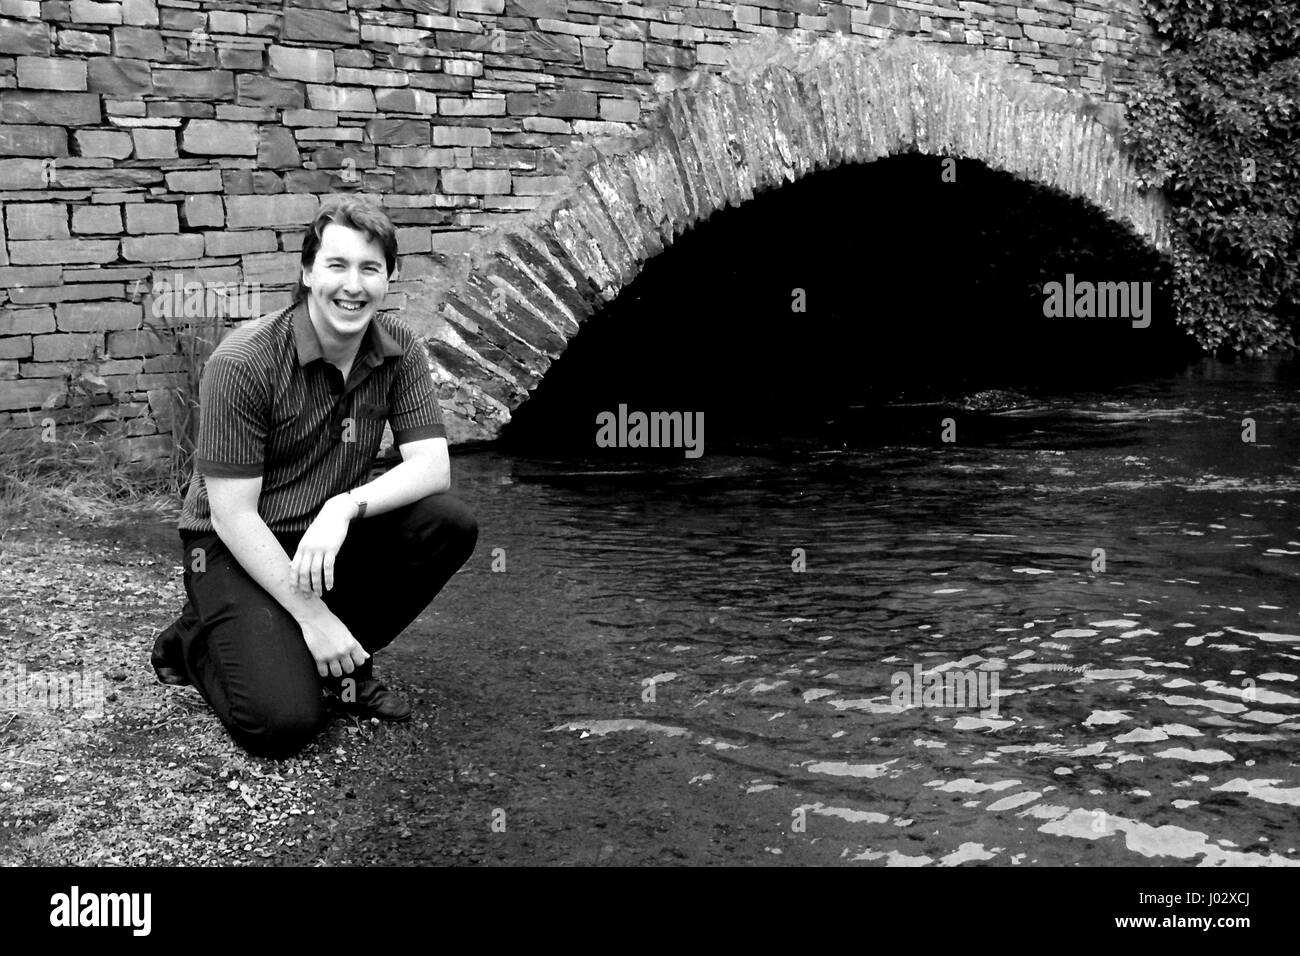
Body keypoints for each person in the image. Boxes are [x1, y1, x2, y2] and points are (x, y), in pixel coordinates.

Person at [150, 195, 478, 758]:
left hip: (321, 537)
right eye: (337, 265)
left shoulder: (400, 349)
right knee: (282, 727)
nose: (353, 286)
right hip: (231, 543)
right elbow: (232, 515)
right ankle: (193, 640)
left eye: (370, 269)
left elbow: (433, 467)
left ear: (389, 277)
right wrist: (313, 616)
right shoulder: (244, 362)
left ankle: (341, 666)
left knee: (446, 523)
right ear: (306, 273)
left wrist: (344, 506)